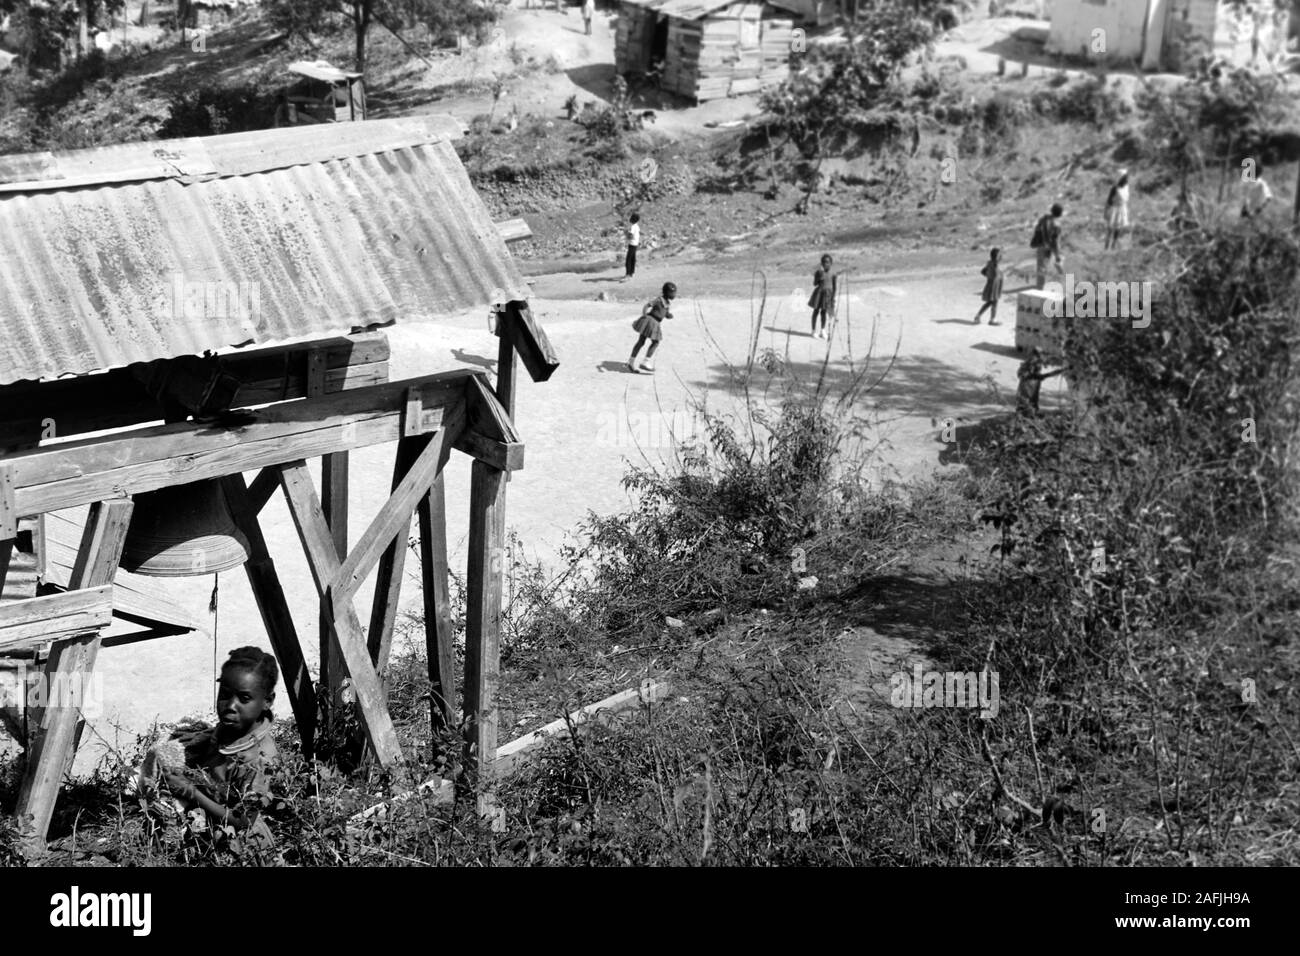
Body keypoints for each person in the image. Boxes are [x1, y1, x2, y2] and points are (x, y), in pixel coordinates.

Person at [157, 647, 281, 857]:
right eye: (224, 695)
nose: (230, 706)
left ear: (267, 701)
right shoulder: (231, 728)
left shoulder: (257, 760)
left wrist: (190, 792)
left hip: (239, 839)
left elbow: (244, 821)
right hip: (207, 813)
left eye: (244, 698)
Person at [628, 282, 676, 373]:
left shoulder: (667, 303)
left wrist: (669, 315)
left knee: (641, 342)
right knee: (655, 342)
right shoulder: (659, 299)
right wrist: (644, 315)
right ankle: (645, 362)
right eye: (672, 293)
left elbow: (665, 313)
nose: (674, 295)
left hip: (655, 323)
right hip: (650, 321)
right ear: (666, 292)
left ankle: (631, 361)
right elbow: (647, 305)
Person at [1016, 347, 1064, 417]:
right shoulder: (1032, 362)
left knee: (1031, 401)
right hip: (1028, 385)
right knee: (1028, 401)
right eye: (1040, 355)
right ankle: (1027, 414)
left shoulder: (1034, 362)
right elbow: (1023, 374)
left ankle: (1029, 413)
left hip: (1031, 384)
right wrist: (1037, 376)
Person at [1030, 203, 1064, 290]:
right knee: (1045, 267)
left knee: (1041, 267)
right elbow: (1056, 241)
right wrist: (1057, 255)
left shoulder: (1044, 219)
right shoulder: (1057, 225)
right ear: (1060, 213)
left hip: (1041, 245)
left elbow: (1037, 229)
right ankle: (1041, 288)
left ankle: (1040, 286)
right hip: (1049, 248)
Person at [808, 254, 837, 339]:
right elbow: (814, 284)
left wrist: (833, 297)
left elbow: (835, 287)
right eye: (824, 262)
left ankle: (822, 330)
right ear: (821, 263)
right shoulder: (818, 272)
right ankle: (813, 331)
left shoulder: (833, 274)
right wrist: (819, 277)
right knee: (816, 311)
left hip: (828, 295)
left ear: (831, 263)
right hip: (819, 294)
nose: (825, 264)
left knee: (824, 312)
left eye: (827, 262)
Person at [974, 248, 1003, 325]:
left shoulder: (991, 263)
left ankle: (980, 316)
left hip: (994, 286)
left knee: (992, 302)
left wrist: (989, 276)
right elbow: (985, 272)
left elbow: (983, 271)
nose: (1001, 256)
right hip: (993, 286)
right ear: (996, 256)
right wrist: (990, 277)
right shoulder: (994, 264)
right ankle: (992, 319)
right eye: (999, 255)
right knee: (993, 302)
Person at [1104, 169, 1130, 251]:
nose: (1126, 179)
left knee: (1118, 228)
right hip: (1114, 209)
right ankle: (1107, 246)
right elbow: (1109, 200)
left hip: (1122, 208)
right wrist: (1107, 209)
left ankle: (1113, 245)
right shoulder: (1115, 188)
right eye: (1125, 178)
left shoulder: (1126, 187)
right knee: (1110, 228)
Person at [622, 213, 641, 281]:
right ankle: (632, 272)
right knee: (633, 259)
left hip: (632, 244)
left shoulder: (633, 226)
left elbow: (631, 236)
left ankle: (628, 274)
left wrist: (626, 233)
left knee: (628, 260)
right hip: (635, 244)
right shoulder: (637, 226)